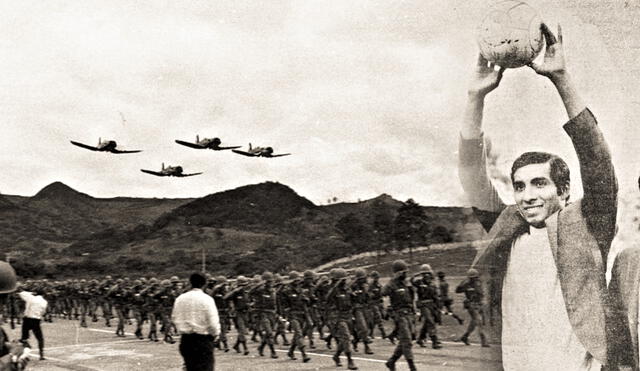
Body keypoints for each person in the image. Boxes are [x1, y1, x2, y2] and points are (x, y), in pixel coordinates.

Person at [459, 23, 620, 369]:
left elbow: (597, 162)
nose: (527, 195)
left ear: (564, 190)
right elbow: (472, 177)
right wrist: (475, 98)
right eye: (519, 185)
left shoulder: (588, 224)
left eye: (539, 183)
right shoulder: (508, 227)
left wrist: (561, 79)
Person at [171, 272, 220, 371]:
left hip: (186, 340)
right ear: (204, 284)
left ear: (190, 283)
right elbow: (213, 323)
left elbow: (174, 318)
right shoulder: (207, 299)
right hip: (203, 340)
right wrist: (215, 334)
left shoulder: (180, 299)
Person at [382, 260, 417, 371]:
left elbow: (410, 299)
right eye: (404, 272)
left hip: (409, 314)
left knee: (406, 340)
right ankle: (412, 367)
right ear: (398, 273)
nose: (406, 274)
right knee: (407, 340)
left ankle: (391, 361)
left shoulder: (406, 284)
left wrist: (414, 312)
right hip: (399, 315)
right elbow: (382, 293)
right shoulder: (392, 284)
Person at [455, 269, 488, 347]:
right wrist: (462, 283)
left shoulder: (479, 283)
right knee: (478, 321)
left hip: (479, 304)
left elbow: (481, 294)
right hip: (471, 305)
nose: (475, 279)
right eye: (473, 278)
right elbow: (457, 290)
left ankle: (465, 336)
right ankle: (484, 341)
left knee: (474, 322)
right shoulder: (466, 284)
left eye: (476, 277)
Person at [18, 286, 48, 360]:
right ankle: (41, 355)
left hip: (27, 319)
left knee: (24, 338)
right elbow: (43, 312)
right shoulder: (44, 302)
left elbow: (21, 293)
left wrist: (31, 293)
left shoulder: (30, 298)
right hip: (36, 320)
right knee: (40, 338)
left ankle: (25, 355)